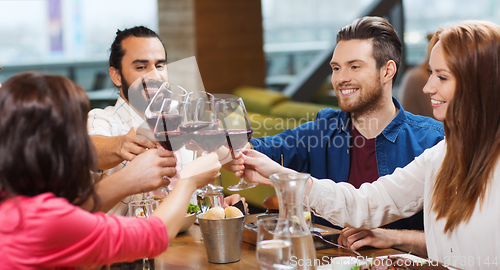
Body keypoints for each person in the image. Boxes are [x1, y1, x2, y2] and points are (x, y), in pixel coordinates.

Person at [234, 20, 500, 270]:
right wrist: (280, 176)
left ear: (478, 84)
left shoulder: (435, 140)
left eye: (442, 77)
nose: (427, 87)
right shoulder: (443, 154)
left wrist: (397, 238)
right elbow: (365, 205)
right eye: (336, 68)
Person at [0, 73, 221, 269]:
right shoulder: (42, 219)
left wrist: (129, 179)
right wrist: (189, 180)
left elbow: (75, 211)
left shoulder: (15, 201)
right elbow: (154, 235)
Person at [88, 26, 245, 215]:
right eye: (141, 67)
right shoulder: (102, 118)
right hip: (127, 241)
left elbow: (229, 162)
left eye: (160, 65)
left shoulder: (180, 121)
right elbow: (91, 149)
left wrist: (216, 207)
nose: (155, 75)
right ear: (116, 76)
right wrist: (121, 144)